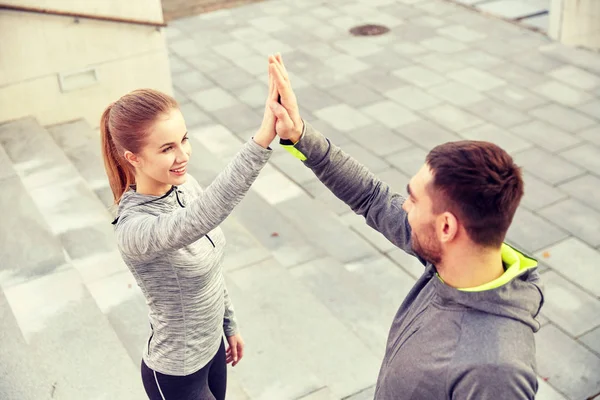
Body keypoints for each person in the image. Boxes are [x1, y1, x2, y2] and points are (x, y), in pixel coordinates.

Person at [267, 54, 544, 399]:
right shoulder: (454, 262)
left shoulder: (495, 371)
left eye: (413, 200)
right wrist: (299, 136)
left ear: (446, 227)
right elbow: (372, 197)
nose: (403, 207)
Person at [99, 67, 279, 399]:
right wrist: (263, 138)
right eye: (167, 148)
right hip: (175, 373)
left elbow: (211, 268)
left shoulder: (184, 186)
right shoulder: (135, 229)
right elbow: (204, 215)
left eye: (184, 139)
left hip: (213, 353)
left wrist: (230, 325)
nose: (183, 155)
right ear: (132, 157)